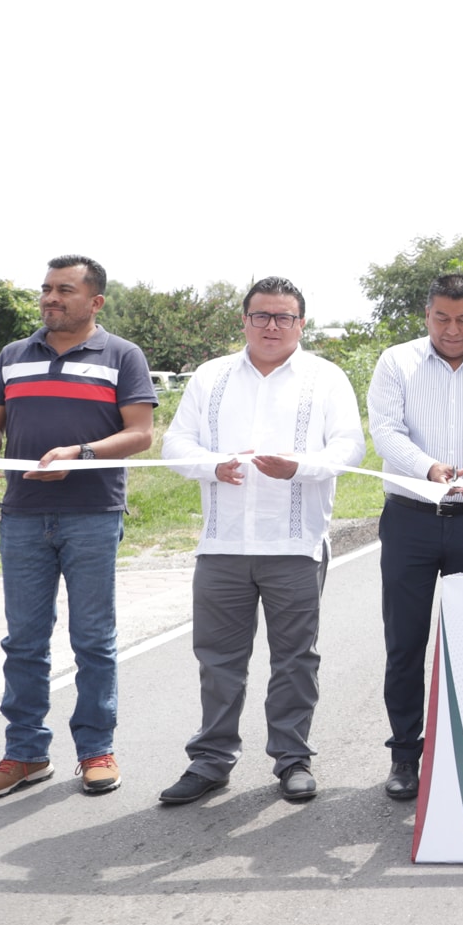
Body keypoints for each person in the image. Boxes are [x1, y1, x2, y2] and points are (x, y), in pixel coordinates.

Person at [157, 277, 365, 805]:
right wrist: (210, 465)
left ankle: (291, 758)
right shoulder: (212, 377)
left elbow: (350, 446)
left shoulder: (326, 377)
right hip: (223, 543)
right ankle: (211, 760)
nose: (272, 327)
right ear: (244, 320)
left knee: (295, 658)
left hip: (294, 543)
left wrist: (301, 468)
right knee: (218, 659)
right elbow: (176, 442)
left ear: (301, 323)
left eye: (284, 317)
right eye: (261, 316)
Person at [0, 256, 157, 800]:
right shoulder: (13, 355)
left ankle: (96, 750)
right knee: (24, 641)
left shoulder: (123, 355)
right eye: (46, 289)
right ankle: (25, 754)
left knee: (93, 640)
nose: (51, 298)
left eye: (65, 290)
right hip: (22, 513)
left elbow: (140, 433)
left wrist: (84, 453)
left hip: (93, 514)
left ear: (95, 301)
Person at [367, 273, 463, 801]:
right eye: (441, 318)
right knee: (406, 643)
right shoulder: (396, 361)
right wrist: (429, 469)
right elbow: (386, 432)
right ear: (427, 314)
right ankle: (405, 756)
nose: (452, 330)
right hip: (410, 516)